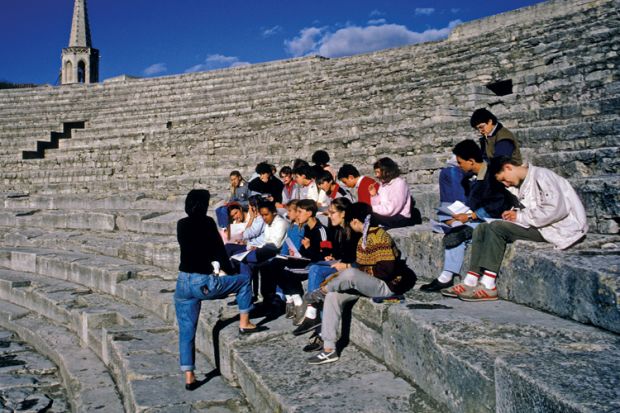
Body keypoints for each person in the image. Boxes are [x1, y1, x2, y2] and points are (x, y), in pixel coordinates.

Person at [441, 156, 588, 301]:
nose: (505, 184)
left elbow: (556, 209)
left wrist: (519, 217)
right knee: (482, 228)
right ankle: (471, 280)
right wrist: (514, 214)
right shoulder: (521, 183)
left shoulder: (543, 176)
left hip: (558, 227)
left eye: (504, 179)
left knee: (497, 227)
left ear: (508, 167)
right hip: (541, 224)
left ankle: (488, 284)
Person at [174, 189, 265, 391]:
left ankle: (189, 376)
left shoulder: (181, 224)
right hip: (202, 281)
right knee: (243, 281)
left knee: (186, 330)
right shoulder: (207, 223)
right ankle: (245, 322)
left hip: (182, 282)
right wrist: (230, 269)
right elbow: (218, 250)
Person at [306, 202, 416, 364]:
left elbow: (387, 271)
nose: (350, 225)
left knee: (349, 273)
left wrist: (358, 273)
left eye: (351, 222)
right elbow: (362, 265)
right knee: (333, 297)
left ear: (356, 221)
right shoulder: (363, 239)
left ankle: (321, 291)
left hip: (386, 285)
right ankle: (329, 348)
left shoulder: (380, 236)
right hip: (368, 284)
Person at [420, 140, 518, 292]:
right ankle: (446, 275)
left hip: (494, 220)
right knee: (455, 229)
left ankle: (446, 276)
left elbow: (498, 204)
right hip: (477, 219)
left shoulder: (493, 175)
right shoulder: (474, 177)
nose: (459, 166)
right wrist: (459, 215)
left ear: (471, 162)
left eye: (460, 163)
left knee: (459, 231)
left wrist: (471, 216)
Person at [295, 197, 360, 343]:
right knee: (315, 269)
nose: (328, 216)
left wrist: (345, 264)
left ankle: (313, 318)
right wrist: (332, 256)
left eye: (332, 212)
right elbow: (335, 252)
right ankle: (317, 326)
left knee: (316, 271)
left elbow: (359, 259)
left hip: (351, 270)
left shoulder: (355, 231)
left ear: (343, 213)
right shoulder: (335, 229)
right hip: (338, 264)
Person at [273, 199, 331, 325]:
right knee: (273, 264)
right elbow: (304, 252)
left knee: (285, 272)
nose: (297, 215)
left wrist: (308, 247)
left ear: (309, 213)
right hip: (304, 261)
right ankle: (292, 298)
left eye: (299, 212)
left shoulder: (321, 230)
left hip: (314, 266)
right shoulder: (308, 229)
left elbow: (325, 256)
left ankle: (299, 302)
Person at [368, 157, 417, 229]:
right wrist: (374, 195)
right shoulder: (383, 185)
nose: (376, 175)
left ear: (386, 171)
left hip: (400, 217)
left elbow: (392, 209)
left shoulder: (399, 183)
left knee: (369, 216)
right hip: (388, 215)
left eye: (378, 172)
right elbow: (379, 206)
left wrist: (370, 209)